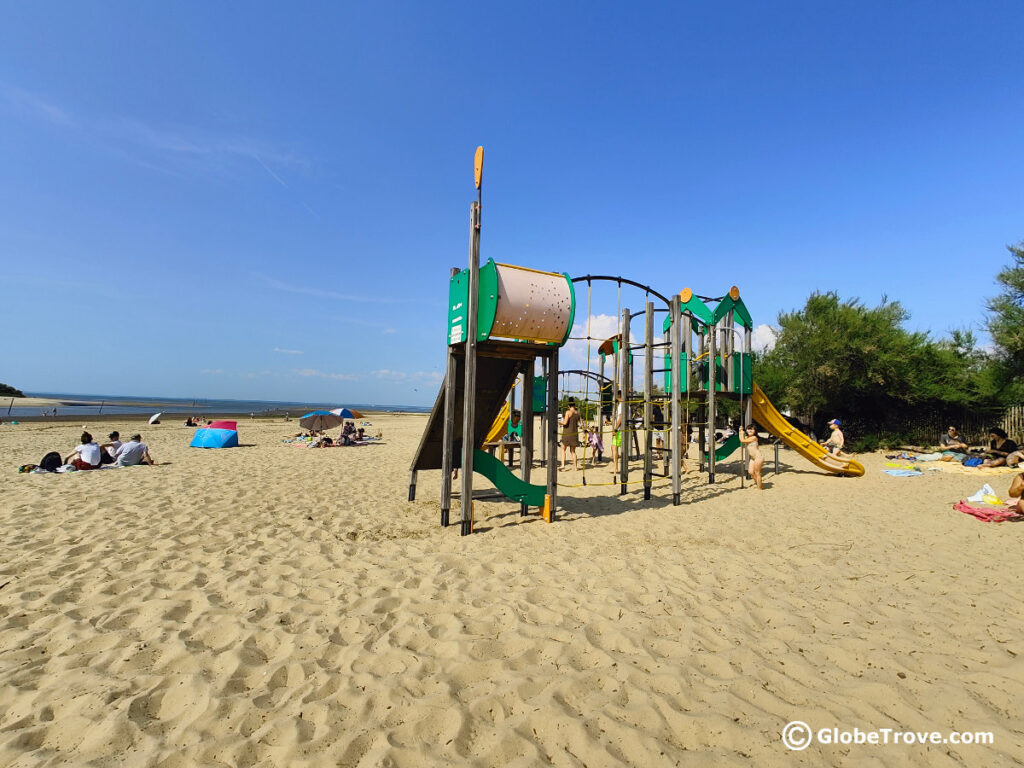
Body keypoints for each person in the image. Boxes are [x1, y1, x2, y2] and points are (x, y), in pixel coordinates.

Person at [738, 425, 765, 490]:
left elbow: (742, 440)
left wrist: (741, 432)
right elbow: (741, 439)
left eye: (752, 429)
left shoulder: (754, 437)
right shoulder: (747, 437)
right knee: (750, 472)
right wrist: (740, 431)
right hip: (753, 458)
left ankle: (759, 488)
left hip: (758, 457)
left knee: (757, 472)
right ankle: (758, 483)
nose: (750, 430)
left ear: (755, 431)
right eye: (748, 429)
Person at [559, 398, 581, 470]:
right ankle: (575, 467)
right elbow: (582, 425)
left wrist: (558, 422)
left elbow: (565, 423)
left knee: (563, 448)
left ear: (568, 405)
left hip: (567, 433)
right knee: (573, 451)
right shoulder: (577, 413)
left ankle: (563, 465)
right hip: (575, 434)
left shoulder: (568, 412)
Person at [611, 391, 625, 468]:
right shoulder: (626, 404)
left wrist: (615, 429)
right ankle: (616, 466)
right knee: (614, 447)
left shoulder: (621, 406)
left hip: (620, 430)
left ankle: (615, 467)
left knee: (614, 447)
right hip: (623, 429)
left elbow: (621, 417)